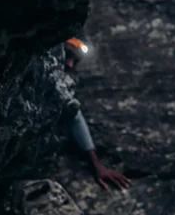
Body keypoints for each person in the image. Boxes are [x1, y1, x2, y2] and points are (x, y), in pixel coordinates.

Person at [53, 37, 130, 191]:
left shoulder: (60, 85)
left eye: (74, 61)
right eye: (68, 55)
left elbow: (74, 115)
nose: (69, 64)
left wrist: (97, 165)